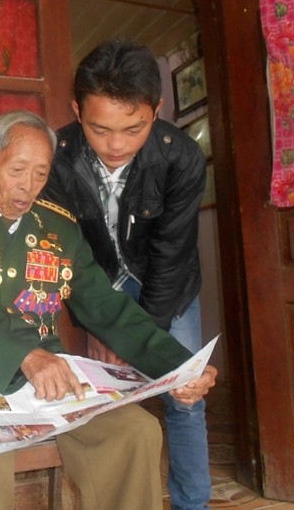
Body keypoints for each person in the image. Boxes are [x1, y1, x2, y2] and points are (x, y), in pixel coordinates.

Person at [0, 110, 217, 510]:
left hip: (48, 386)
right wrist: (25, 357)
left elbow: (107, 309)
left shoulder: (60, 229)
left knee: (135, 432)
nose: (28, 187)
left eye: (40, 174)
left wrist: (178, 367)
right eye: (18, 169)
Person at [41, 39, 211, 510]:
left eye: (133, 129)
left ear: (155, 111)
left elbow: (172, 254)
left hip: (166, 285)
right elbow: (65, 253)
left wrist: (139, 340)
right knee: (109, 399)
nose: (116, 145)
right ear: (77, 111)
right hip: (94, 285)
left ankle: (191, 504)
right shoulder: (55, 159)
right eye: (99, 129)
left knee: (184, 391)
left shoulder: (182, 159)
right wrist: (100, 325)